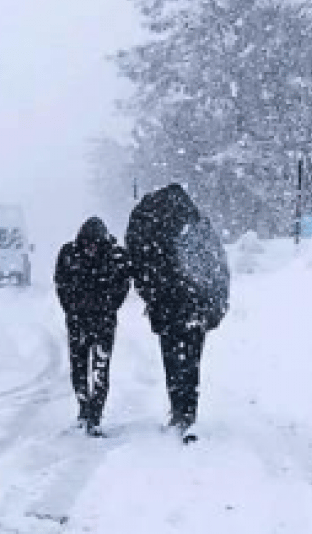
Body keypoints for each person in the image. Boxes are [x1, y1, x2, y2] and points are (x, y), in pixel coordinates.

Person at [125, 183, 230, 440]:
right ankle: (188, 411)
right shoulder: (196, 224)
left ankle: (178, 409)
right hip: (197, 307)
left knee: (173, 360)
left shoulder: (152, 225)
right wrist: (216, 305)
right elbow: (217, 265)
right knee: (192, 361)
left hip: (167, 308)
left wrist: (151, 296)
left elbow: (140, 266)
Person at [54, 217, 130, 436]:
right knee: (78, 368)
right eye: (87, 244)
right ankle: (83, 408)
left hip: (103, 321)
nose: (91, 249)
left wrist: (108, 306)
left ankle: (95, 415)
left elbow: (124, 285)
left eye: (95, 244)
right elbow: (60, 283)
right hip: (77, 321)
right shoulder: (69, 254)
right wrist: (71, 308)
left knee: (100, 369)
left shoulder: (116, 257)